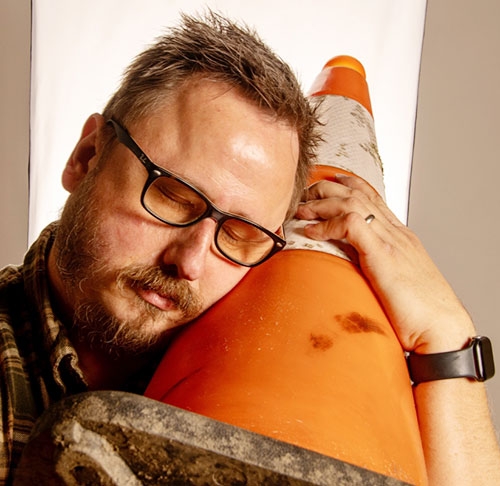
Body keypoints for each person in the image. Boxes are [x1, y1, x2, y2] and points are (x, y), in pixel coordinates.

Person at [0, 11, 499, 486]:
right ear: (86, 157)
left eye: (241, 233)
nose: (190, 262)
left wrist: (446, 337)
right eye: (172, 197)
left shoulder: (266, 346)